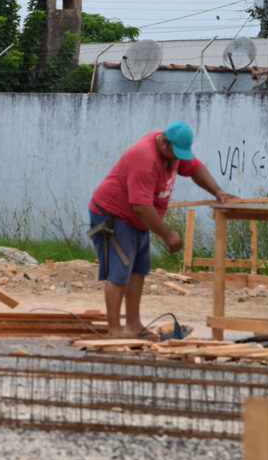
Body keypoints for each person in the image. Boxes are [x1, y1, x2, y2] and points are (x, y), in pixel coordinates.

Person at [88, 121, 234, 339]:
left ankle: (134, 326)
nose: (177, 160)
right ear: (164, 142)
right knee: (119, 273)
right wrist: (168, 234)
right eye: (174, 155)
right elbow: (141, 207)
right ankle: (115, 331)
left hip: (139, 219)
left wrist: (218, 192)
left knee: (139, 270)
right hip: (114, 216)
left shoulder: (172, 151)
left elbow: (195, 168)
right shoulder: (144, 158)